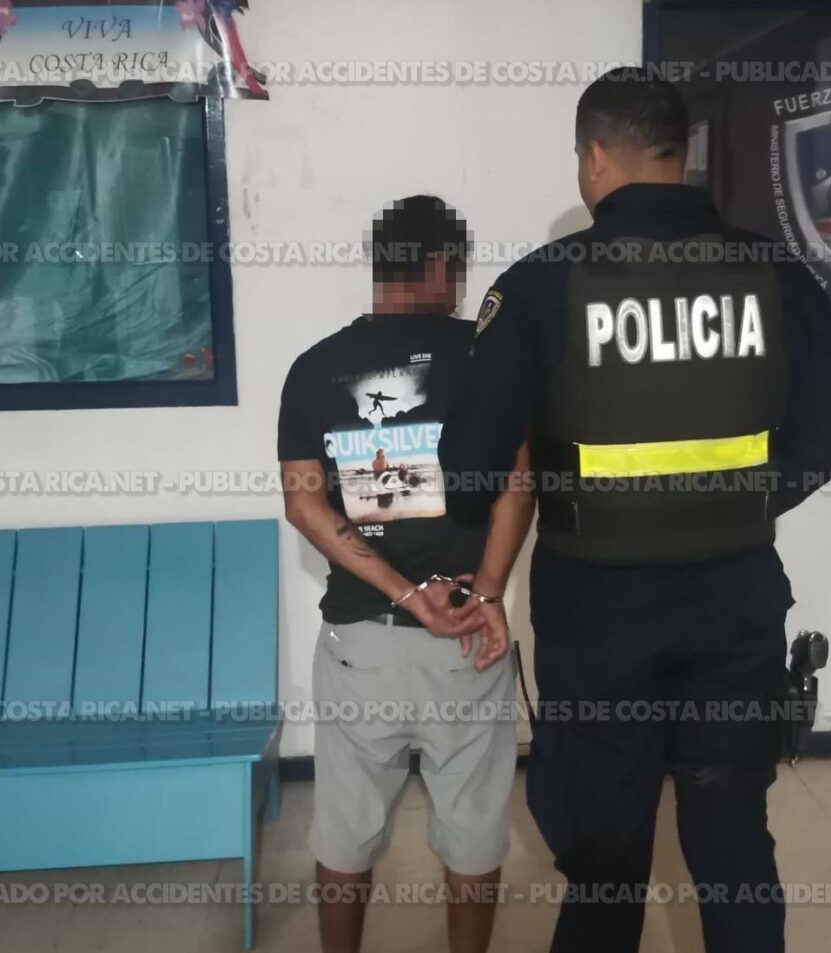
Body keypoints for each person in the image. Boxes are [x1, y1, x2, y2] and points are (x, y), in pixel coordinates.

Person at [439, 69, 831, 953]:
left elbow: (469, 475)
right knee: (734, 843)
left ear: (594, 157)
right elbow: (828, 442)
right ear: (681, 153)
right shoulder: (779, 274)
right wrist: (730, 506)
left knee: (604, 859)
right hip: (735, 605)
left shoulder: (541, 287)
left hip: (597, 620)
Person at [278, 195, 518, 953]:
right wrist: (485, 592)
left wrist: (405, 595)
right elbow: (520, 481)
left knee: (344, 829)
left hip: (361, 640)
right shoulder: (489, 356)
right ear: (442, 266)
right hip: (467, 635)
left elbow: (303, 503)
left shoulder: (314, 367)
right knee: (474, 828)